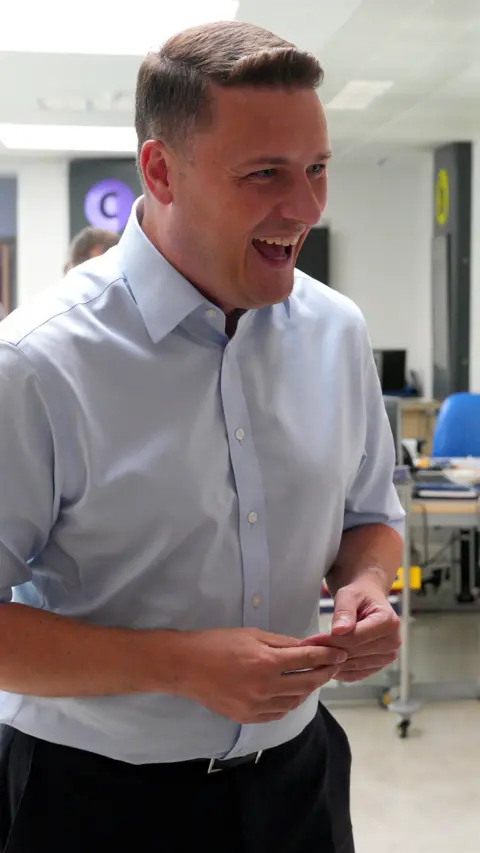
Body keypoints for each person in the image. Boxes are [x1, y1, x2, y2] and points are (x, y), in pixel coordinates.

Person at [0, 21, 404, 853]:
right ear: (160, 170)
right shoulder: (38, 363)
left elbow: (371, 513)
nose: (304, 206)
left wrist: (367, 582)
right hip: (90, 803)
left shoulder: (335, 331)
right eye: (265, 174)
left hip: (299, 783)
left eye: (317, 169)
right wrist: (179, 664)